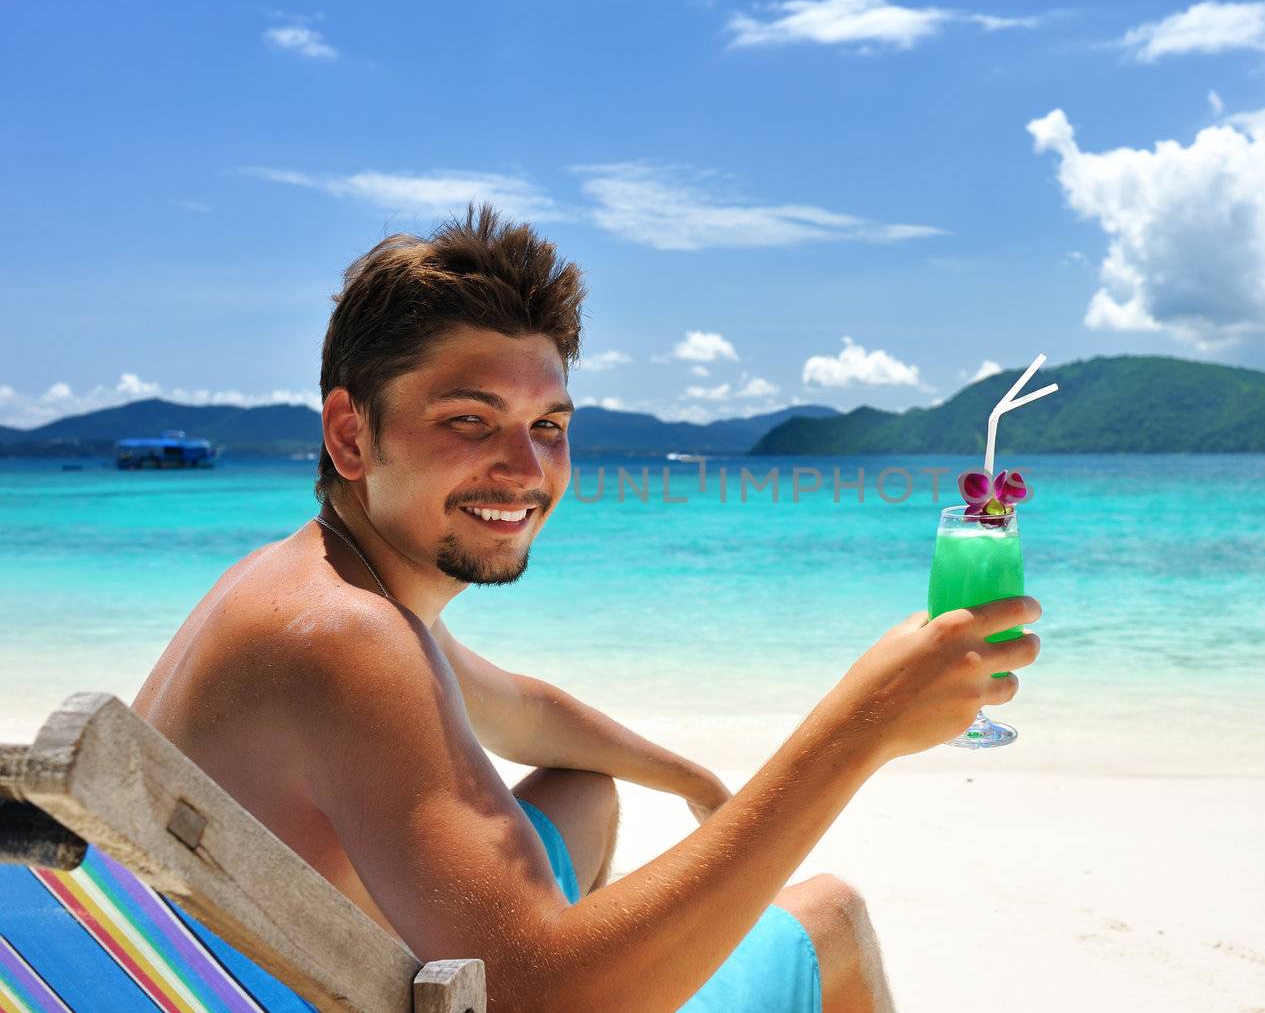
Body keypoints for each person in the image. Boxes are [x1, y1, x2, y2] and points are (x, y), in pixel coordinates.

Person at [131, 205, 1040, 1013]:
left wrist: (686, 778)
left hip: (269, 972)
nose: (526, 471)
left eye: (549, 427)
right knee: (829, 915)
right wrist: (861, 728)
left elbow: (520, 709)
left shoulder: (308, 586)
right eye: (470, 421)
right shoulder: (346, 639)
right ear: (350, 434)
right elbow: (539, 1000)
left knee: (585, 792)